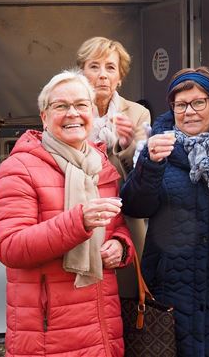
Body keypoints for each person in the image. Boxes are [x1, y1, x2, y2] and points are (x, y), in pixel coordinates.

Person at [0, 70, 134, 356]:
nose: (73, 113)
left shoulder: (101, 166)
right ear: (44, 117)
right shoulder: (18, 169)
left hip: (102, 324)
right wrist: (76, 221)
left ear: (92, 112)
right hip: (48, 333)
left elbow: (116, 226)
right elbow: (10, 247)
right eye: (61, 106)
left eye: (81, 105)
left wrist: (120, 245)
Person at [120, 67, 209, 357]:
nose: (189, 111)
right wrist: (150, 165)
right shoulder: (156, 147)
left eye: (199, 102)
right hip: (170, 282)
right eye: (180, 104)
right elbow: (135, 206)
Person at [76, 36, 150, 293]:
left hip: (123, 215)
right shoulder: (68, 111)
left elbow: (142, 175)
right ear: (81, 73)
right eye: (94, 67)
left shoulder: (137, 113)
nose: (102, 75)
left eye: (110, 68)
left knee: (126, 291)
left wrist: (125, 145)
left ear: (120, 77)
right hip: (78, 211)